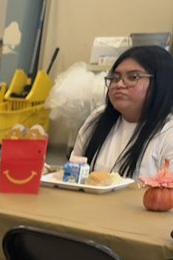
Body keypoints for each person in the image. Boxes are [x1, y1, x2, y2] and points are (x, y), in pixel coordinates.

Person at [71, 46, 173, 179]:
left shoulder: (168, 131)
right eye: (115, 77)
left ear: (161, 83)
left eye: (133, 77)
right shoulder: (97, 118)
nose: (119, 84)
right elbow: (72, 174)